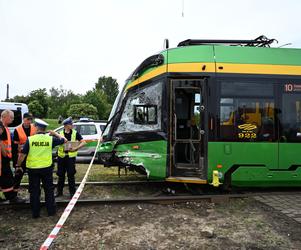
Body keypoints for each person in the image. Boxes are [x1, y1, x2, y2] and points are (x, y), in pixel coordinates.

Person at [16, 119, 66, 218]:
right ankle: (51, 211)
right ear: (44, 129)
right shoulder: (50, 139)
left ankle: (35, 213)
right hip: (46, 169)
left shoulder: (30, 139)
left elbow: (22, 155)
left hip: (33, 169)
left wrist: (18, 165)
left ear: (37, 128)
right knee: (49, 190)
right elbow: (64, 140)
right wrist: (55, 133)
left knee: (34, 191)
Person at [56, 117, 86, 198]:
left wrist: (76, 148)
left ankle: (72, 192)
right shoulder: (59, 133)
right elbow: (55, 142)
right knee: (61, 175)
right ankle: (59, 192)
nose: (72, 125)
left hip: (70, 158)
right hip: (61, 157)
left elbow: (83, 142)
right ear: (66, 125)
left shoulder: (75, 133)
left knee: (71, 175)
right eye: (71, 124)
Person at [0, 110, 24, 203]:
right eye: (11, 117)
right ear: (5, 116)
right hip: (3, 159)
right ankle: (12, 198)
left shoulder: (4, 127)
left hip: (4, 159)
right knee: (8, 178)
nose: (13, 119)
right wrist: (5, 154)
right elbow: (1, 142)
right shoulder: (1, 127)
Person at [13, 112, 36, 192]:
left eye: (30, 119)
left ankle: (32, 190)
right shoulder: (17, 129)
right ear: (23, 119)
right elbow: (15, 145)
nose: (29, 121)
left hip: (32, 156)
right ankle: (14, 191)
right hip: (22, 156)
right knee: (18, 174)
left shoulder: (34, 127)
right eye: (27, 119)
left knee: (33, 174)